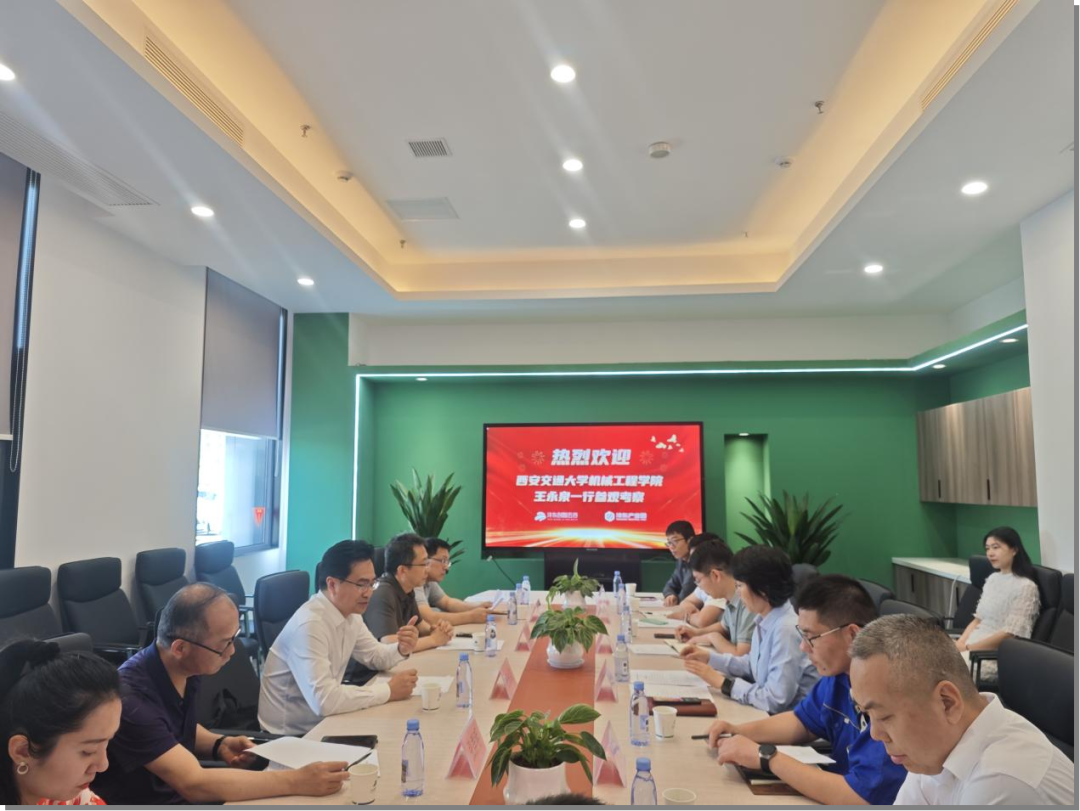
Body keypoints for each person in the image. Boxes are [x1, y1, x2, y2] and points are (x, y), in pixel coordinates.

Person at [93, 583, 349, 804]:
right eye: (223, 644)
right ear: (180, 648)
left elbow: (170, 725)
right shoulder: (130, 701)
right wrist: (296, 781)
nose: (232, 651)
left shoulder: (182, 667)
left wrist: (218, 744)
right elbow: (194, 784)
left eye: (233, 638)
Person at [706, 574, 906, 805]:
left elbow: (859, 798)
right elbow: (801, 721)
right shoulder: (839, 674)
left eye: (811, 637)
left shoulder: (889, 698)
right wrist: (738, 731)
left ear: (852, 635)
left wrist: (767, 757)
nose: (803, 646)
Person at [850, 615, 1073, 805]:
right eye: (868, 715)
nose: (875, 734)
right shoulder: (936, 748)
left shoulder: (1002, 783)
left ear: (947, 703)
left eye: (884, 716)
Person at [258, 540, 421, 736]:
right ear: (332, 584)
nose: (369, 593)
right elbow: (324, 700)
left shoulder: (350, 613)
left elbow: (375, 656)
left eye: (372, 583)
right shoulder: (310, 625)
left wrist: (401, 648)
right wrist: (388, 691)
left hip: (326, 721)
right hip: (289, 737)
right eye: (362, 584)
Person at [681, 545, 816, 713]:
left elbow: (775, 700)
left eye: (739, 586)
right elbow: (752, 665)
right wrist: (710, 658)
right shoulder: (764, 619)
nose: (738, 593)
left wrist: (724, 684)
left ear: (763, 589)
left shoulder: (786, 630)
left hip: (785, 722)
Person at [0, 640, 120, 806]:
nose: (103, 765)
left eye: (106, 744)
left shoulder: (69, 798)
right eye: (87, 751)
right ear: (23, 751)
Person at [954, 527, 1041, 682]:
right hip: (972, 645)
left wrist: (968, 649)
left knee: (943, 669)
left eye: (996, 547)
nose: (990, 553)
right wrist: (960, 644)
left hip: (992, 656)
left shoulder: (1026, 587)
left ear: (1014, 550)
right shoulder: (993, 579)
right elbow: (978, 620)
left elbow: (1010, 634)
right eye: (987, 548)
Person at [364, 533, 454, 648]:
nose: (427, 570)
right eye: (424, 564)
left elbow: (421, 627)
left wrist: (440, 631)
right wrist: (434, 640)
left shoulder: (408, 590)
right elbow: (391, 644)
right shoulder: (382, 593)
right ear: (402, 570)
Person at [673, 536, 753, 654]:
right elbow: (724, 627)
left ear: (715, 575)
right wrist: (697, 633)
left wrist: (712, 637)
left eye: (698, 580)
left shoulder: (749, 601)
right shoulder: (730, 598)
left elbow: (740, 654)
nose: (699, 586)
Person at [415, 537, 497, 626]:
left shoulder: (429, 581)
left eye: (447, 562)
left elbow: (447, 603)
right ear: (426, 559)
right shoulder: (415, 581)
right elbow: (429, 618)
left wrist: (477, 606)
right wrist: (471, 616)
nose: (446, 567)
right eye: (443, 561)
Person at [661, 520, 697, 605]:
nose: (671, 547)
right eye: (669, 542)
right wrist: (670, 595)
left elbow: (686, 593)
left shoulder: (699, 562)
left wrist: (676, 599)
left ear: (690, 540)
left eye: (675, 541)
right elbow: (669, 585)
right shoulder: (681, 561)